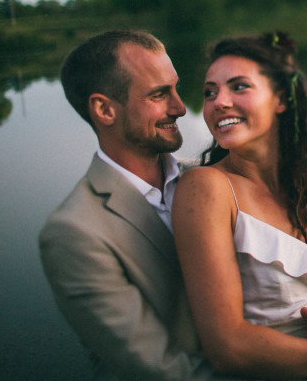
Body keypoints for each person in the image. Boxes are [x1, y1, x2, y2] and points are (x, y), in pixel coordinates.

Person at [172, 32, 307, 380]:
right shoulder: (208, 188)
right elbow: (228, 347)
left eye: (238, 87)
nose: (219, 102)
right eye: (210, 92)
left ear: (281, 99)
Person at [39, 30, 218, 380]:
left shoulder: (211, 178)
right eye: (159, 94)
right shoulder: (74, 233)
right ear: (104, 109)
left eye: (176, 88)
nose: (180, 108)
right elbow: (161, 370)